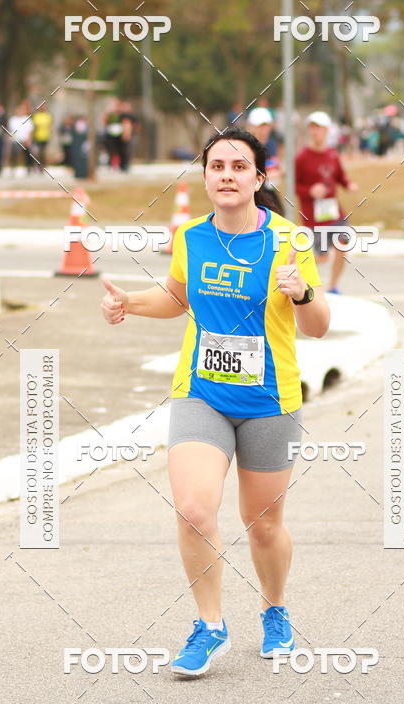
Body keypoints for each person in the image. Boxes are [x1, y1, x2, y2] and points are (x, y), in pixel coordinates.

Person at [101, 127, 330, 676]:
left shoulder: (288, 241)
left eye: (238, 166)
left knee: (264, 523)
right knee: (194, 508)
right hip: (200, 394)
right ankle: (210, 626)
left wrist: (302, 294)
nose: (226, 175)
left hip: (270, 398)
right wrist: (129, 302)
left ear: (257, 177)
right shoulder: (189, 237)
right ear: (205, 175)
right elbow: (178, 297)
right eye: (216, 166)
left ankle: (275, 610)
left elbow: (319, 327)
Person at [295, 111, 358, 294]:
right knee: (320, 257)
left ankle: (333, 286)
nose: (316, 132)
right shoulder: (302, 157)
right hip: (313, 216)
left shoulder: (332, 154)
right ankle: (300, 278)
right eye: (312, 128)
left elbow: (340, 176)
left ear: (327, 130)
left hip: (334, 212)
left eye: (319, 128)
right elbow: (294, 185)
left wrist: (349, 185)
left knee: (343, 245)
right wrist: (310, 191)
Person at [32, 102, 53, 171]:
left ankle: (43, 166)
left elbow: (50, 126)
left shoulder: (48, 116)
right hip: (37, 137)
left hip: (45, 136)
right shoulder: (36, 116)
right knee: (37, 152)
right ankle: (38, 165)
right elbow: (34, 127)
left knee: (43, 153)